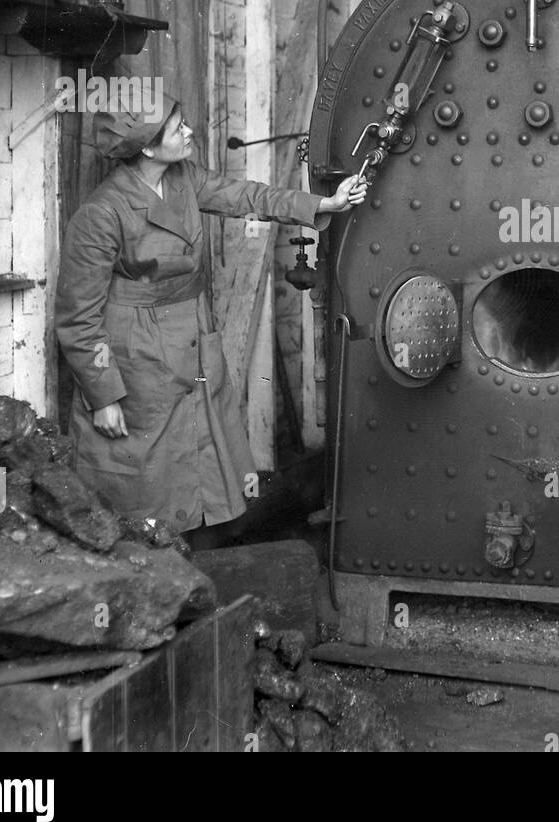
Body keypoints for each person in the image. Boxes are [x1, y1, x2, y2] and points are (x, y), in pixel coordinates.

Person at [55, 95, 366, 542]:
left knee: (197, 459)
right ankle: (150, 569)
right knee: (146, 473)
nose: (189, 133)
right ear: (146, 147)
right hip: (137, 353)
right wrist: (102, 396)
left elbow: (246, 197)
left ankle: (192, 565)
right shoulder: (102, 214)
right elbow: (78, 318)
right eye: (178, 127)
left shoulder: (184, 179)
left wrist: (322, 204)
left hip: (192, 337)